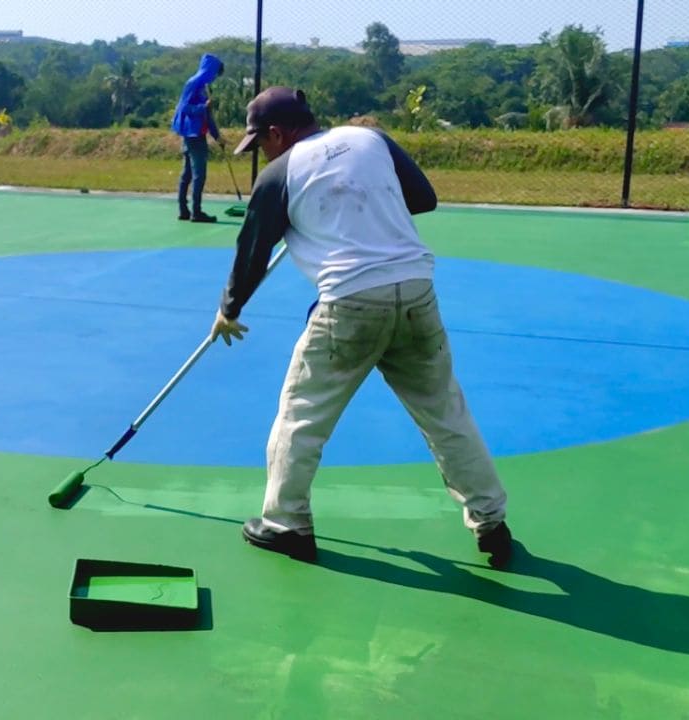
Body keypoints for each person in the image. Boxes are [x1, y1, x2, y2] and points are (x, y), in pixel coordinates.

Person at [209, 86, 513, 568]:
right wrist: (360, 211)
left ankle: (286, 523)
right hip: (416, 291)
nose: (259, 153)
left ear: (277, 133)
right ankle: (491, 521)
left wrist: (230, 308)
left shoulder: (279, 174)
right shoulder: (373, 141)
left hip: (351, 304)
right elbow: (423, 198)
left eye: (259, 143)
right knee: (445, 414)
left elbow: (253, 251)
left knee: (302, 416)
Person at [171, 53, 226, 223]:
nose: (215, 77)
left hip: (196, 133)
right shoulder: (194, 83)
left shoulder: (204, 86)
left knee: (187, 173)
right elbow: (185, 107)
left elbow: (207, 116)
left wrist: (217, 136)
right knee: (198, 174)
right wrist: (204, 106)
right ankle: (195, 211)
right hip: (193, 134)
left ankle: (184, 210)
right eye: (215, 73)